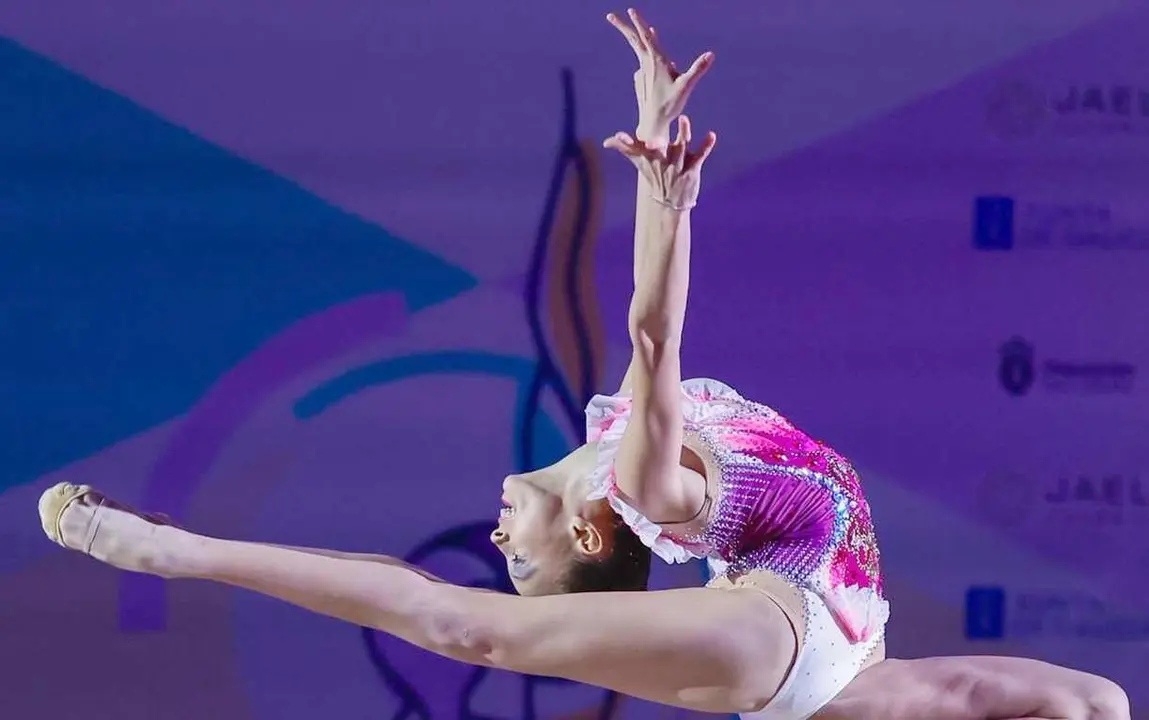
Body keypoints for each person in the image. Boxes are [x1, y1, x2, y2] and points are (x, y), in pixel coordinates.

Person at [37, 9, 1130, 719]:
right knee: (467, 629)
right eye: (524, 559)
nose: (498, 541)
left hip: (833, 652)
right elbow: (655, 336)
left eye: (506, 555)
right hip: (794, 633)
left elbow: (615, 329)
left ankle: (182, 549)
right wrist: (665, 198)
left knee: (1095, 704)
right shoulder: (650, 486)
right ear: (593, 535)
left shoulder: (617, 443)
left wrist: (641, 187)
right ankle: (175, 552)